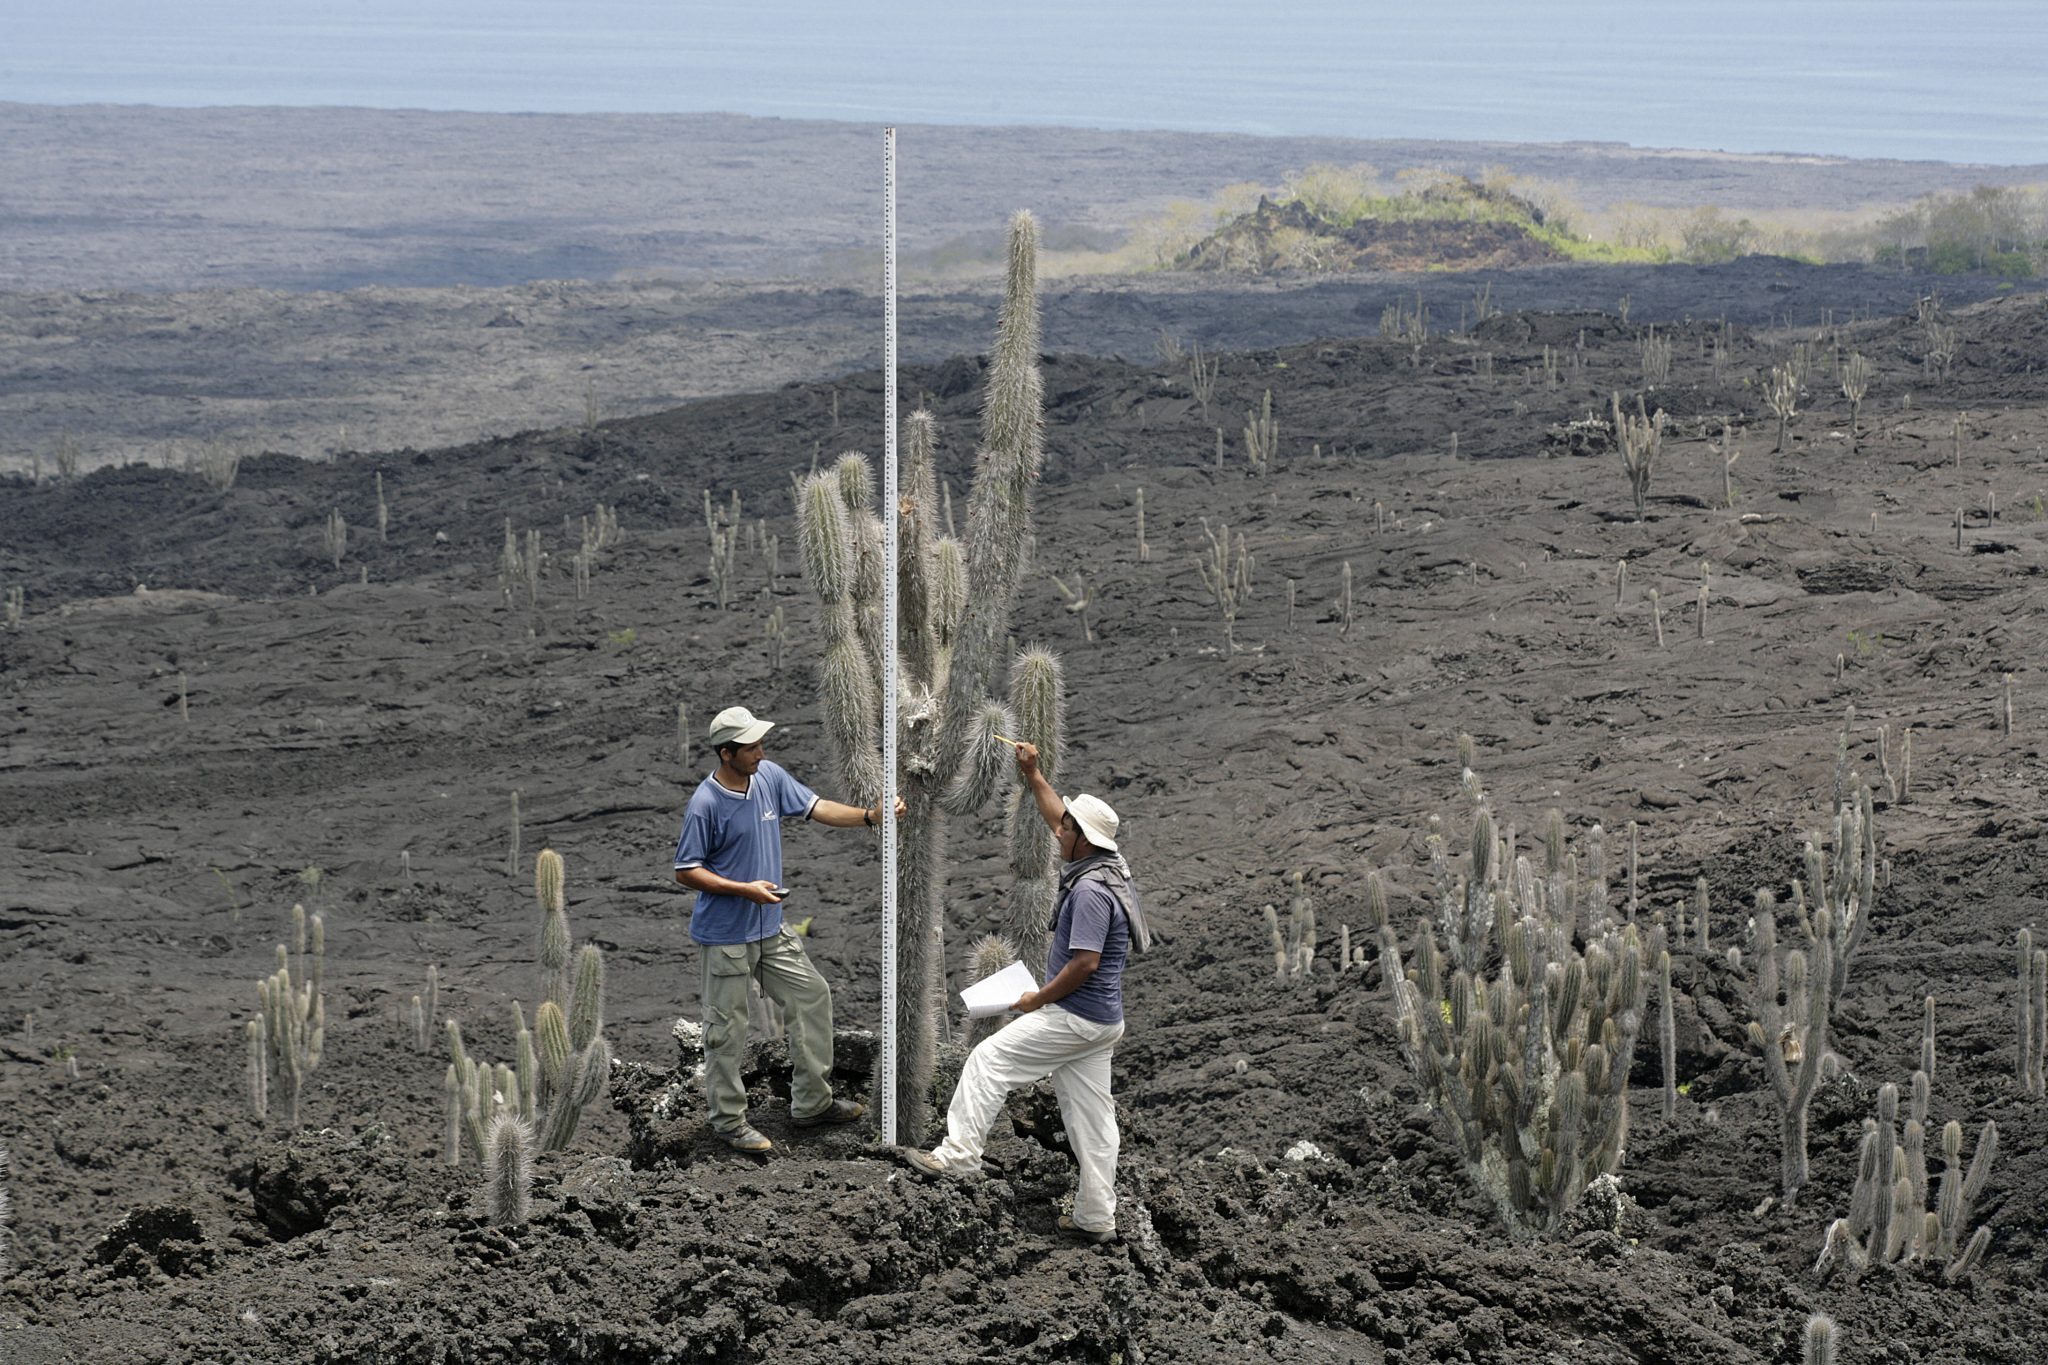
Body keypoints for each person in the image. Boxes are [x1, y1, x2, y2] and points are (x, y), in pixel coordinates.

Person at [899, 741, 1149, 1244]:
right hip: (1102, 1022)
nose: (1058, 831)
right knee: (1093, 1121)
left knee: (987, 1062)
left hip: (1076, 1016)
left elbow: (1085, 962)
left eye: (1067, 830)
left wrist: (1038, 999)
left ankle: (957, 1157)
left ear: (1084, 841)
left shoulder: (1091, 893)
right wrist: (1033, 775)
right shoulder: (1106, 868)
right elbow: (1060, 812)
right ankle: (1096, 1218)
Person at [672, 705, 901, 1153]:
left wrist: (871, 817)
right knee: (726, 1030)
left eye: (760, 743)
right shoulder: (705, 804)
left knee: (812, 996)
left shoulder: (770, 778)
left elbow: (817, 808)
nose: (760, 751)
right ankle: (729, 1122)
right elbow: (686, 870)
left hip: (771, 929)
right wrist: (743, 890)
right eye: (751, 746)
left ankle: (812, 1103)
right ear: (726, 753)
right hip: (726, 938)